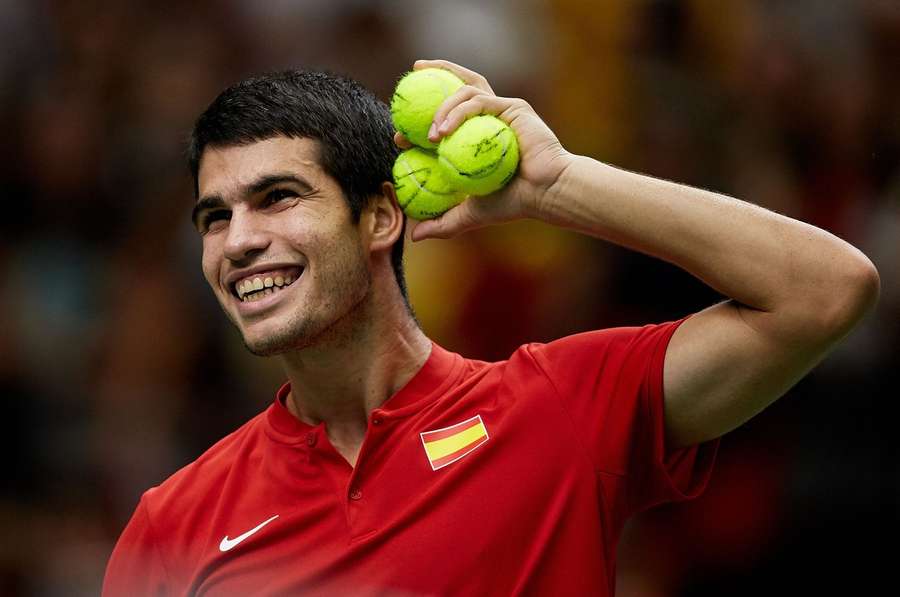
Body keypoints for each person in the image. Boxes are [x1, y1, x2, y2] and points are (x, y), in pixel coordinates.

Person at [102, 59, 879, 596]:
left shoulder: (557, 407)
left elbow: (825, 290)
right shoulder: (174, 522)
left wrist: (558, 184)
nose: (237, 240)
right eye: (215, 216)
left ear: (379, 217)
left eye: (276, 198)